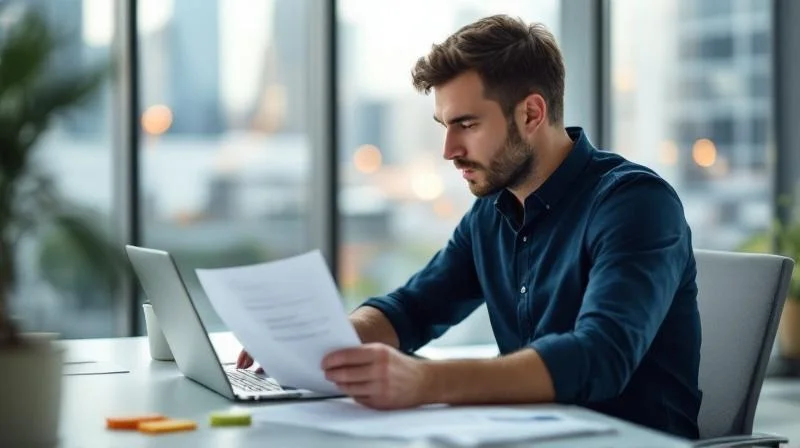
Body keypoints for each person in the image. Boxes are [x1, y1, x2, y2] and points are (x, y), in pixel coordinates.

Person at [238, 14, 702, 439]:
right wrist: (319, 342)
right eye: (444, 124)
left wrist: (424, 381)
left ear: (531, 114)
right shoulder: (493, 211)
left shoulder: (635, 203)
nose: (449, 149)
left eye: (466, 124)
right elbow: (413, 309)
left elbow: (601, 357)